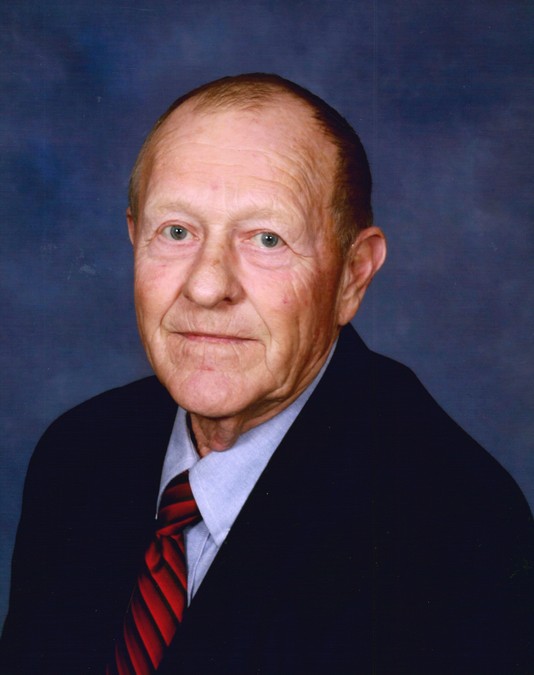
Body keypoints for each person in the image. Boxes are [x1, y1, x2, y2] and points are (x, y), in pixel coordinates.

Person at [1, 73, 533, 674]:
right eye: (176, 231)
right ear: (134, 238)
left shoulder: (454, 531)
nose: (207, 286)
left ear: (353, 275)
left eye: (267, 239)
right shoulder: (76, 453)